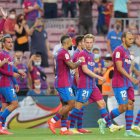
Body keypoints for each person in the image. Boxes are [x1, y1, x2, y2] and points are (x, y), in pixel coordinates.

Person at [68, 34, 123, 135]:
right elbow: (85, 70)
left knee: (102, 103)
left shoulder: (91, 55)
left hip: (92, 85)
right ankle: (70, 127)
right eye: (87, 42)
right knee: (78, 107)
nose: (89, 44)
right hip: (84, 85)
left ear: (93, 43)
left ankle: (110, 126)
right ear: (84, 43)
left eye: (90, 42)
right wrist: (98, 77)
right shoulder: (82, 55)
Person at [47, 35, 84, 135]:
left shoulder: (60, 53)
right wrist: (80, 61)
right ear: (66, 43)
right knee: (71, 104)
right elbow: (72, 66)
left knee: (65, 105)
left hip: (62, 81)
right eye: (71, 42)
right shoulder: (64, 53)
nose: (72, 44)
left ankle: (63, 129)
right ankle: (53, 121)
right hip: (63, 83)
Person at [105, 32, 140, 137]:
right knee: (123, 107)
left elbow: (128, 68)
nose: (132, 41)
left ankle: (128, 131)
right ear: (123, 39)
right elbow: (119, 68)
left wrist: (131, 76)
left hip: (127, 83)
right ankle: (105, 120)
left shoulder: (128, 52)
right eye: (130, 39)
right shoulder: (118, 50)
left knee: (131, 105)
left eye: (132, 39)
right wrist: (132, 78)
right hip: (119, 82)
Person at [0, 34, 25, 134]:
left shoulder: (8, 55)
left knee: (5, 105)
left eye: (11, 42)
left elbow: (11, 68)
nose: (11, 44)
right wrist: (13, 74)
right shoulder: (1, 54)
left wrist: (18, 72)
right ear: (3, 43)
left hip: (8, 83)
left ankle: (2, 128)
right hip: (5, 83)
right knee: (14, 104)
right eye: (8, 42)